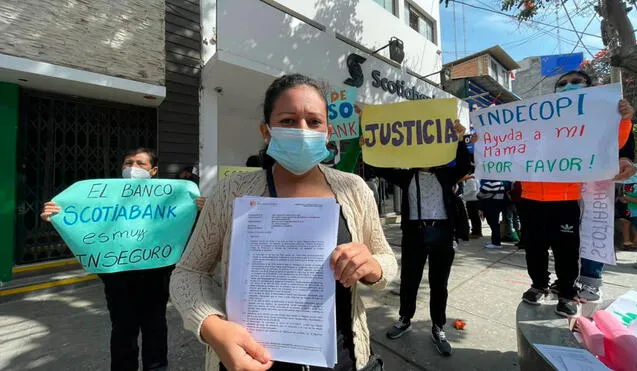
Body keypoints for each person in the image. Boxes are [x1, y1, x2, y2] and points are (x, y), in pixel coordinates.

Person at [169, 74, 397, 371]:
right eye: (288, 121)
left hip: (341, 360)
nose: (302, 130)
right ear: (266, 131)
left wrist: (372, 267)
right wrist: (212, 328)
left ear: (328, 132)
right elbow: (189, 273)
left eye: (314, 122)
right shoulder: (232, 192)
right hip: (251, 362)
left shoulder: (354, 189)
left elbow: (386, 259)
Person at [40, 148, 203, 371]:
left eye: (140, 163)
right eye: (128, 163)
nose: (133, 168)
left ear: (154, 170)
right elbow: (83, 222)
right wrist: (57, 215)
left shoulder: (170, 197)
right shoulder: (105, 197)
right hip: (117, 275)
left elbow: (183, 227)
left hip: (156, 273)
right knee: (123, 329)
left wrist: (201, 209)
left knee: (155, 326)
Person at [520, 70, 636, 315]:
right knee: (534, 246)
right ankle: (539, 285)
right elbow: (511, 143)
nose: (567, 86)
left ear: (589, 87)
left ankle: (567, 294)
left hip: (565, 197)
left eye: (575, 82)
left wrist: (625, 119)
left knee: (566, 250)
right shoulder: (539, 120)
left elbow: (611, 141)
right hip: (529, 196)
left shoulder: (596, 117)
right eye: (562, 84)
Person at [372, 124, 472, 356]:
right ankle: (405, 319)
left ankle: (438, 327)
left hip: (443, 234)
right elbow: (377, 166)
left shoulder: (446, 175)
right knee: (409, 280)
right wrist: (368, 136)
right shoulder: (407, 176)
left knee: (439, 284)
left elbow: (465, 165)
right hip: (415, 234)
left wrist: (459, 139)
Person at [477, 179, 511, 249]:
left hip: (490, 206)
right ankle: (494, 241)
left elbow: (479, 195)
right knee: (495, 223)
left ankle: (496, 243)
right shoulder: (501, 183)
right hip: (498, 206)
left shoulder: (488, 184)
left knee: (493, 224)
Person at [461, 173, 482, 238]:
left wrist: (463, 195)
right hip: (474, 200)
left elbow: (473, 189)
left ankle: (476, 232)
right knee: (475, 217)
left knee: (474, 217)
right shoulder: (475, 177)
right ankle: (477, 231)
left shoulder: (470, 179)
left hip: (472, 200)